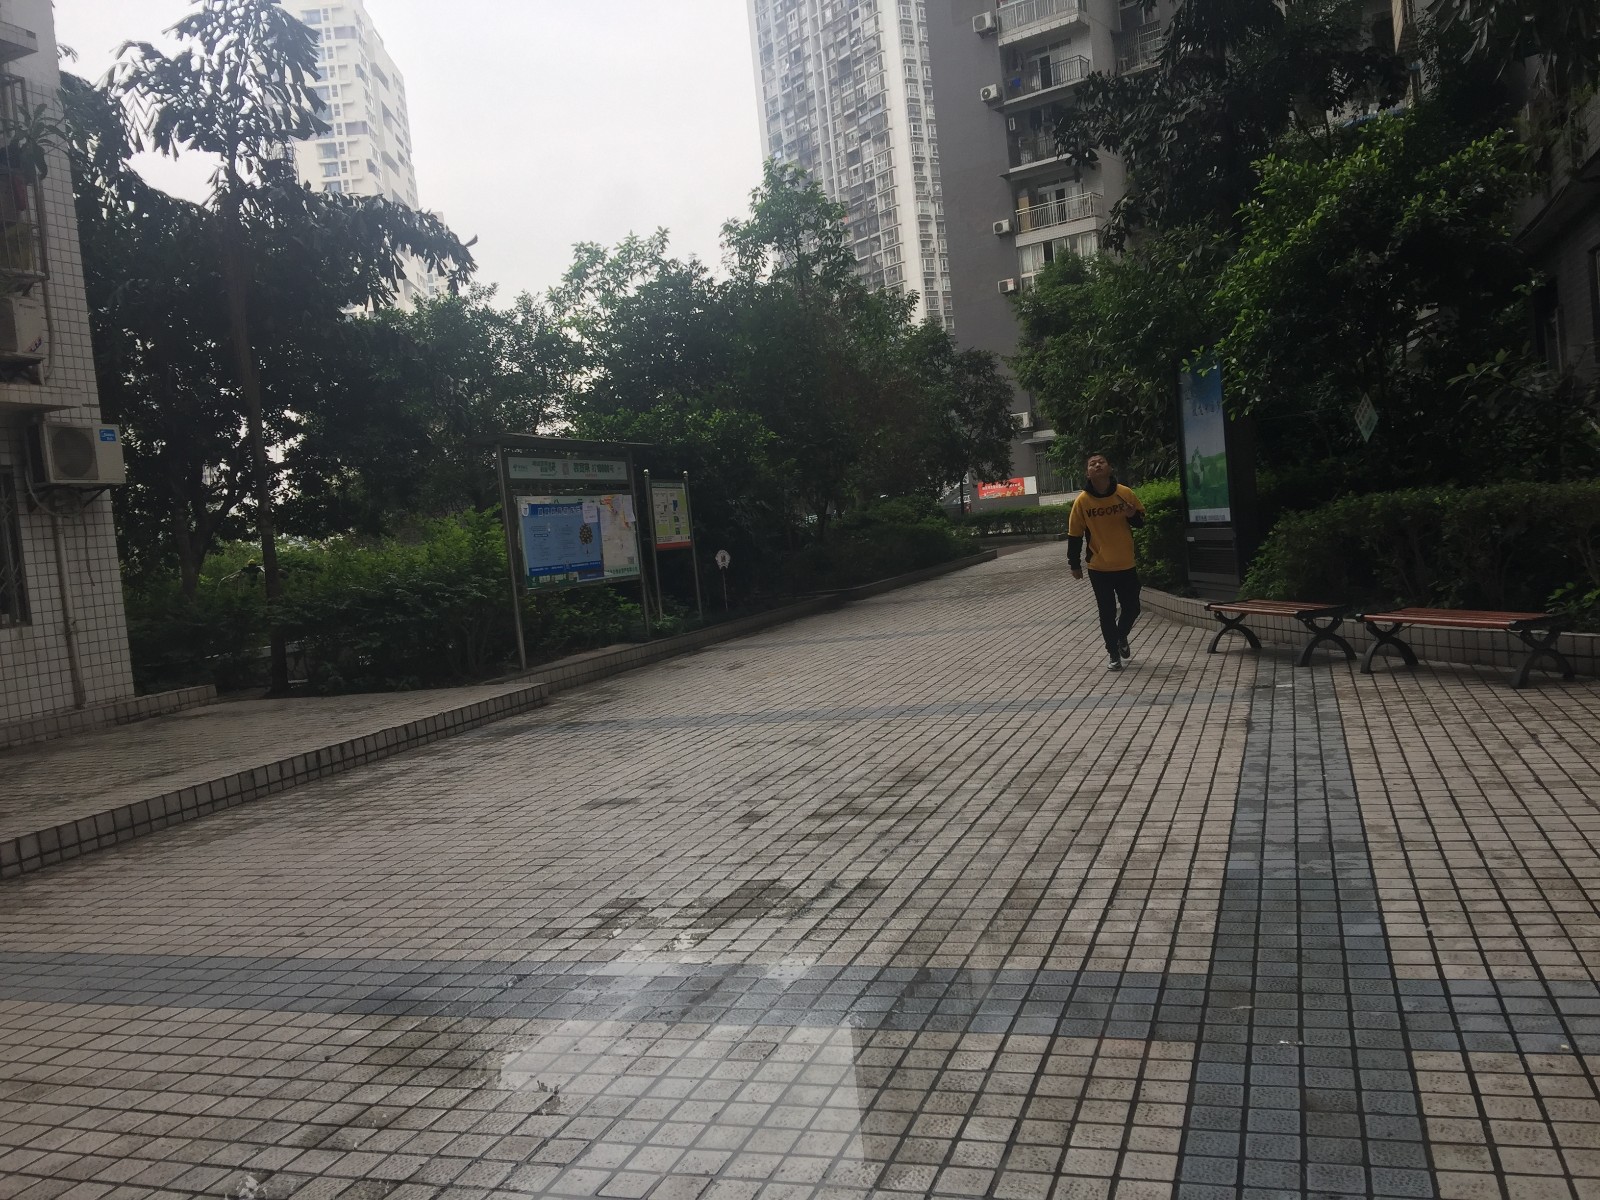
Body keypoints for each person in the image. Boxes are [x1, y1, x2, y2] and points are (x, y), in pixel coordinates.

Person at [1067, 453, 1147, 672]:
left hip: (1126, 563)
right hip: (1099, 567)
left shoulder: (1124, 493)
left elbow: (1141, 522)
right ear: (1087, 473)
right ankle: (1113, 652)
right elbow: (1074, 535)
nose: (1097, 465)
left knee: (1133, 608)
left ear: (1109, 468)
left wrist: (1132, 515)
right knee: (1107, 611)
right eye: (1092, 464)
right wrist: (1074, 564)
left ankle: (1120, 636)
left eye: (1101, 462)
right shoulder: (1082, 501)